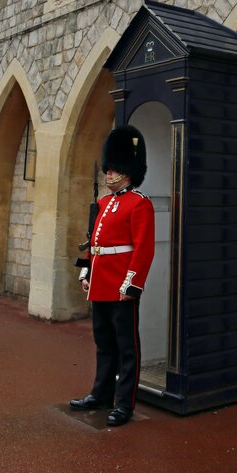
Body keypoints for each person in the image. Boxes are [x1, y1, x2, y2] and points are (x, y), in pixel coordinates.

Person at [70, 125, 155, 426]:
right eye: (107, 170)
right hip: (99, 284)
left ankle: (124, 403)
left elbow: (143, 249)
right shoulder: (104, 204)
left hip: (120, 284)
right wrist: (85, 272)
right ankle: (100, 394)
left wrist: (131, 284)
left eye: (113, 170)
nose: (108, 175)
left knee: (126, 347)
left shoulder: (140, 203)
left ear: (127, 172)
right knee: (103, 343)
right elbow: (91, 241)